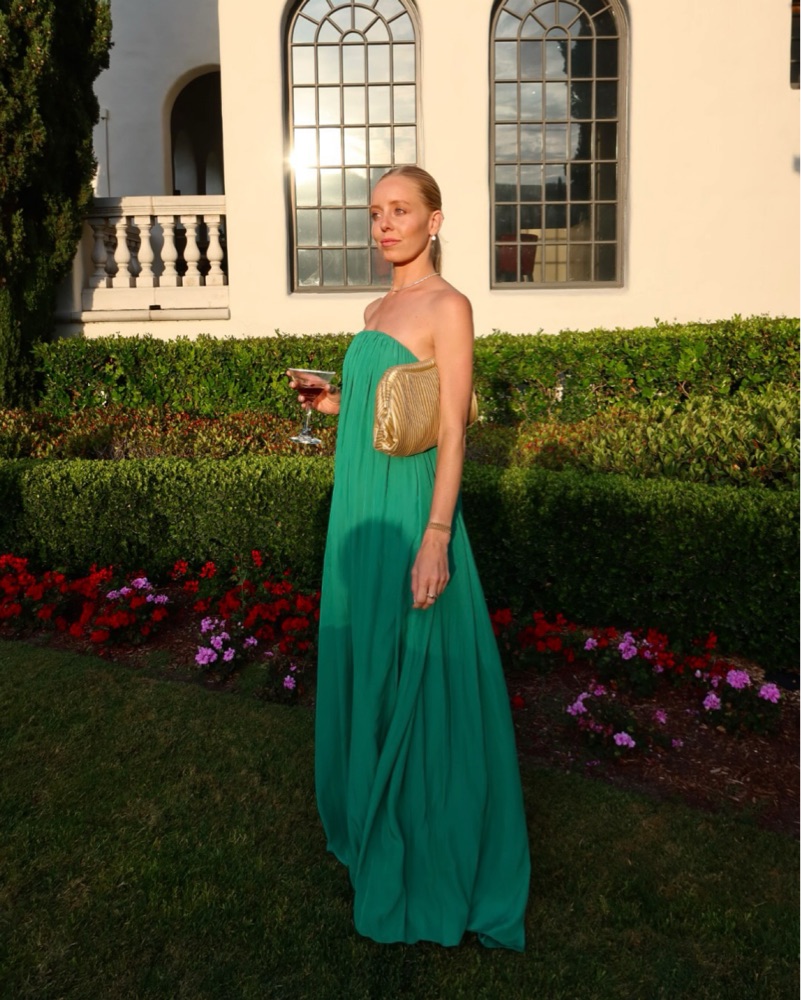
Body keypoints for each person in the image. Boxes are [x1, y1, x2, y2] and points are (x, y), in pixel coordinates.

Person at [289, 165, 530, 950]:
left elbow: (453, 428)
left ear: (434, 219)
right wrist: (333, 401)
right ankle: (372, 810)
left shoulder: (448, 306)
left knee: (418, 665)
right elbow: (394, 408)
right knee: (373, 654)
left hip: (413, 508)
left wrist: (435, 536)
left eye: (399, 210)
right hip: (361, 499)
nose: (383, 224)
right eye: (375, 213)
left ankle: (429, 839)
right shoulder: (374, 309)